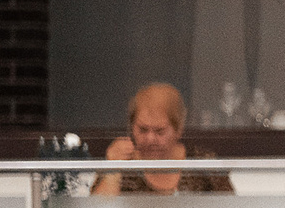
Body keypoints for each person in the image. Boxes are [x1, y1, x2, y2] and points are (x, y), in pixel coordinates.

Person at [93, 83, 235, 196]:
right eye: (142, 130)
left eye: (159, 131)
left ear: (178, 130)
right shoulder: (122, 164)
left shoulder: (202, 163)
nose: (150, 139)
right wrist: (112, 173)